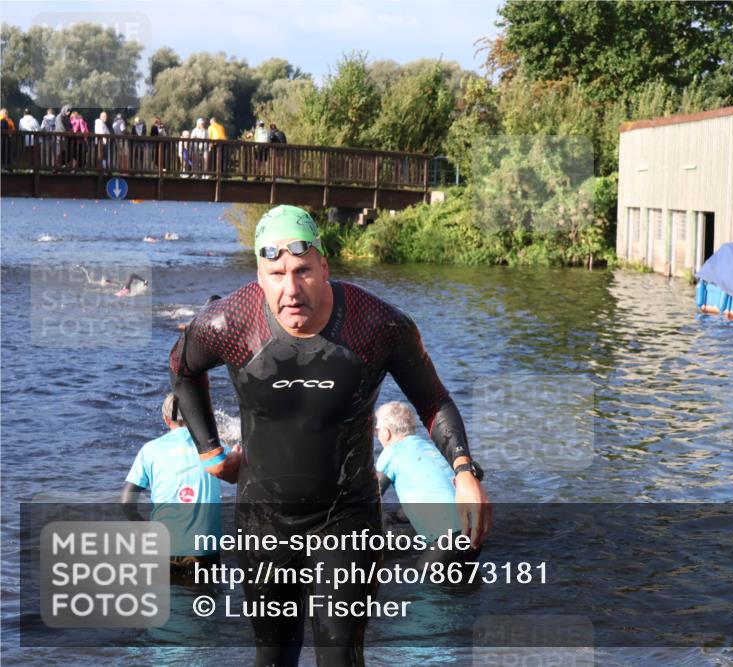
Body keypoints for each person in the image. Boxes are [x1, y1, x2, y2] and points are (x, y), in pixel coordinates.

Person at [169, 204, 491, 666]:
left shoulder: (376, 325)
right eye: (276, 273)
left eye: (302, 270)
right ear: (259, 276)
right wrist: (209, 453)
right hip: (264, 521)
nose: (291, 288)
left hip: (347, 517)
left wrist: (463, 470)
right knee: (273, 657)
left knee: (339, 655)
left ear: (325, 265)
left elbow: (433, 399)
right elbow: (182, 371)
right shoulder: (230, 322)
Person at [120, 393, 231, 582]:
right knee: (205, 605)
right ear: (197, 416)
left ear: (165, 419)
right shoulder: (215, 450)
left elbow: (126, 502)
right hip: (204, 550)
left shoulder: (150, 450)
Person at [375, 401, 480, 568]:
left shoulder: (391, 453)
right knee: (461, 582)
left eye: (377, 431)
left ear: (386, 433)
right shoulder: (429, 448)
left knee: (424, 583)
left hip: (447, 539)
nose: (377, 435)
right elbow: (431, 495)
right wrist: (395, 517)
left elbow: (370, 495)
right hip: (473, 532)